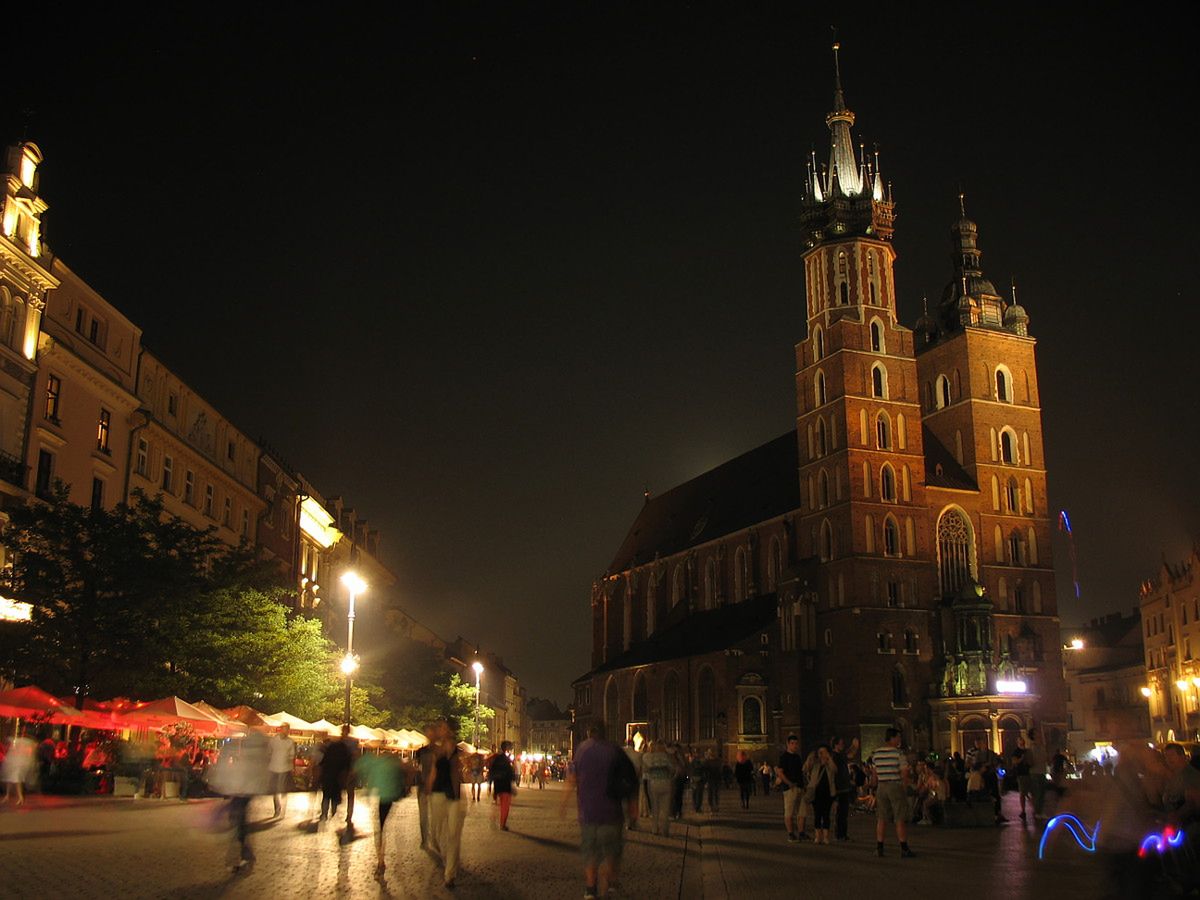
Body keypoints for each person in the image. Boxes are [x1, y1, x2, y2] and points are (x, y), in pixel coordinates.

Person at [561, 719, 626, 900]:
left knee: (590, 851)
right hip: (612, 812)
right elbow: (628, 780)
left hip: (588, 812)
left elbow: (572, 778)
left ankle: (590, 888)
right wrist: (634, 807)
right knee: (612, 850)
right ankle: (611, 883)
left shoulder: (581, 750)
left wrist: (564, 803)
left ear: (589, 732)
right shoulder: (615, 751)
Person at [213, 730, 270, 872]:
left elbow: (242, 773)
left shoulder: (252, 755)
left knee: (238, 822)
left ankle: (243, 856)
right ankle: (245, 855)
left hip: (242, 792)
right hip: (243, 791)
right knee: (238, 821)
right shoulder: (257, 757)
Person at [426, 717, 466, 889]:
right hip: (437, 793)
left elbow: (455, 772)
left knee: (453, 836)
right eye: (439, 727)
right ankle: (445, 859)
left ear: (448, 730)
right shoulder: (437, 750)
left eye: (442, 727)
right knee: (436, 832)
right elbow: (434, 770)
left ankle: (450, 874)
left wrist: (457, 796)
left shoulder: (454, 749)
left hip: (451, 795)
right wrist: (427, 786)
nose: (440, 729)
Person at [355, 750, 407, 877]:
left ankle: (381, 861)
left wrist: (367, 793)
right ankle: (381, 859)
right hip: (391, 797)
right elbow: (404, 775)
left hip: (384, 799)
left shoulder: (378, 763)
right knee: (381, 827)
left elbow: (371, 780)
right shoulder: (394, 763)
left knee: (380, 829)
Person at [868, 728, 915, 858]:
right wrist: (905, 786)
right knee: (899, 817)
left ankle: (879, 847)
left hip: (881, 787)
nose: (900, 740)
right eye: (898, 737)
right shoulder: (898, 754)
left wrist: (873, 787)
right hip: (894, 785)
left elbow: (874, 775)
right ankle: (904, 848)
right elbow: (904, 773)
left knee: (881, 818)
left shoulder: (876, 754)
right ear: (892, 738)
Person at [317, 728, 353, 823]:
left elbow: (322, 763)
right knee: (334, 796)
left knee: (326, 796)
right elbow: (347, 764)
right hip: (337, 778)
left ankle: (324, 813)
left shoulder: (330, 750)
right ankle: (333, 811)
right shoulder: (345, 751)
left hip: (328, 776)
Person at [642, 740, 677, 836]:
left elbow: (646, 769)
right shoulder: (667, 757)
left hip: (654, 782)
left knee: (655, 807)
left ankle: (654, 828)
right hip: (666, 782)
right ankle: (665, 829)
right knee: (665, 808)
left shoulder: (650, 758)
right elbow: (673, 770)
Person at [776, 734, 806, 842]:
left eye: (796, 743)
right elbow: (780, 772)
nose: (795, 745)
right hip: (790, 789)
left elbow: (800, 772)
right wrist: (789, 783)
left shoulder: (797, 757)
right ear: (788, 744)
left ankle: (801, 832)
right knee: (789, 812)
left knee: (801, 812)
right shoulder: (784, 757)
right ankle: (791, 834)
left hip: (800, 787)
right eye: (792, 743)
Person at [415, 722, 439, 847]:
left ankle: (434, 837)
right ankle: (425, 838)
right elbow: (418, 767)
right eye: (428, 733)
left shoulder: (440, 751)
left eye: (432, 733)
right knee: (423, 815)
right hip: (423, 786)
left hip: (436, 787)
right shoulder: (421, 752)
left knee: (435, 815)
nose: (430, 735)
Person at [1, 729, 36, 805]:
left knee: (16, 780)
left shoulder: (21, 742)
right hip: (18, 763)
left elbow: (13, 748)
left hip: (17, 764)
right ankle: (8, 795)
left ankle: (20, 797)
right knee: (11, 779)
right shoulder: (26, 743)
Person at [268, 723, 296, 817]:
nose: (287, 732)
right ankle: (278, 809)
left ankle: (281, 809)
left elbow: (292, 756)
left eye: (288, 730)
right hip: (274, 768)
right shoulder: (273, 740)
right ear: (281, 730)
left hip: (285, 769)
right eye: (286, 729)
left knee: (283, 790)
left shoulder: (290, 742)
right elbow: (269, 752)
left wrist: (291, 765)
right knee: (276, 790)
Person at [830, 736, 855, 840]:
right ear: (836, 745)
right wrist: (854, 746)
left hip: (844, 787)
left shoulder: (838, 755)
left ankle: (842, 834)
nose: (843, 745)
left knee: (843, 813)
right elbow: (850, 754)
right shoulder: (836, 756)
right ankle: (840, 834)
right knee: (841, 813)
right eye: (841, 744)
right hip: (839, 788)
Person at [488, 741, 516, 830]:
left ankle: (498, 822)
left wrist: (490, 783)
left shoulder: (497, 758)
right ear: (507, 749)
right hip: (505, 785)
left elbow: (492, 770)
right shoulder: (506, 760)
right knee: (505, 806)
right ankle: (502, 824)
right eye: (510, 748)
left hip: (498, 784)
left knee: (501, 804)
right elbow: (510, 773)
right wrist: (512, 781)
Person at [1023, 728, 1048, 821]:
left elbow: (1046, 758)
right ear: (1033, 735)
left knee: (1042, 793)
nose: (1039, 735)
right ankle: (1037, 812)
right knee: (1037, 793)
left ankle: (1040, 811)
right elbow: (1030, 760)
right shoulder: (1031, 747)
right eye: (1037, 733)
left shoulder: (1043, 746)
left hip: (1042, 771)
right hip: (1034, 772)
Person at [623, 739, 643, 827]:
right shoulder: (638, 755)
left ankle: (627, 821)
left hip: (623, 779)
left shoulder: (622, 752)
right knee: (634, 800)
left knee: (624, 801)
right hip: (634, 779)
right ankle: (633, 819)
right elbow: (640, 769)